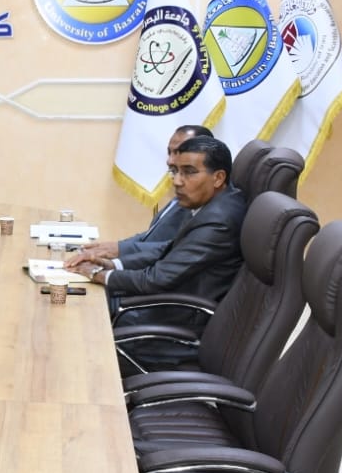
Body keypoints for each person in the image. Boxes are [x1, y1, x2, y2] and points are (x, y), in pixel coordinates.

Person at [80, 136, 248, 333]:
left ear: (218, 178)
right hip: (161, 307)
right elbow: (169, 248)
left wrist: (96, 275)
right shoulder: (215, 204)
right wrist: (112, 265)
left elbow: (156, 279)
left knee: (83, 318)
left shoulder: (219, 220)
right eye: (175, 171)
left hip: (172, 322)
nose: (177, 181)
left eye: (189, 172)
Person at [66, 124, 213, 273]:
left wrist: (115, 257)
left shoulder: (201, 201)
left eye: (180, 152)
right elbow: (149, 237)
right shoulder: (182, 193)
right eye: (170, 152)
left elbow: (170, 248)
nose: (170, 160)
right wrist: (113, 247)